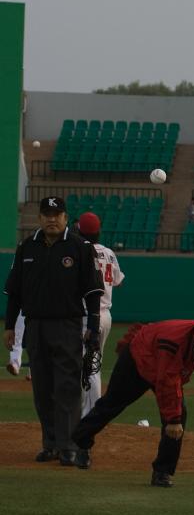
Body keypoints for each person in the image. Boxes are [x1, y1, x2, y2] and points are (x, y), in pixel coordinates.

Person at [72, 306, 194, 486]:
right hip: (137, 360)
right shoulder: (174, 341)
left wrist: (175, 416)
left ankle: (162, 472)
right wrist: (173, 419)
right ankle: (81, 442)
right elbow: (167, 381)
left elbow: (174, 377)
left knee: (180, 413)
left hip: (162, 365)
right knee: (112, 404)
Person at [3, 196, 103, 465]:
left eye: (56, 214)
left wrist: (93, 328)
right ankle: (50, 444)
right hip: (35, 325)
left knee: (68, 387)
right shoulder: (28, 247)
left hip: (67, 325)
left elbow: (93, 292)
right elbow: (14, 292)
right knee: (43, 388)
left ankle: (68, 445)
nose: (51, 219)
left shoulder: (80, 247)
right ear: (39, 218)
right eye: (46, 214)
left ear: (66, 218)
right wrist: (10, 325)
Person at [77, 213, 125, 416]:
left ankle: (90, 414)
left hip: (87, 316)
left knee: (87, 366)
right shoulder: (109, 252)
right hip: (105, 315)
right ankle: (87, 411)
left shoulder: (79, 251)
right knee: (93, 364)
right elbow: (118, 281)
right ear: (98, 232)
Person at [6, 311, 30, 379]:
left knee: (35, 338)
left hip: (38, 309)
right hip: (22, 306)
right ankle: (15, 364)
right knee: (16, 336)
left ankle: (34, 369)